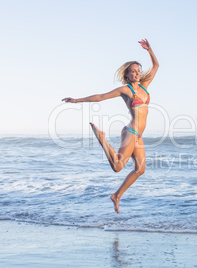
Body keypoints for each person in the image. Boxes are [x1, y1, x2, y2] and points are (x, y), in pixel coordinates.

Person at [62, 39, 159, 213]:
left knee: (140, 169)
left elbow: (156, 66)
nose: (137, 73)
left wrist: (149, 50)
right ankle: (101, 138)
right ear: (127, 75)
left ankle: (116, 196)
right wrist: (77, 100)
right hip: (131, 131)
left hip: (138, 135)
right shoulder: (126, 90)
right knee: (117, 167)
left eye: (138, 71)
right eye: (133, 71)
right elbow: (101, 97)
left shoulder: (144, 87)